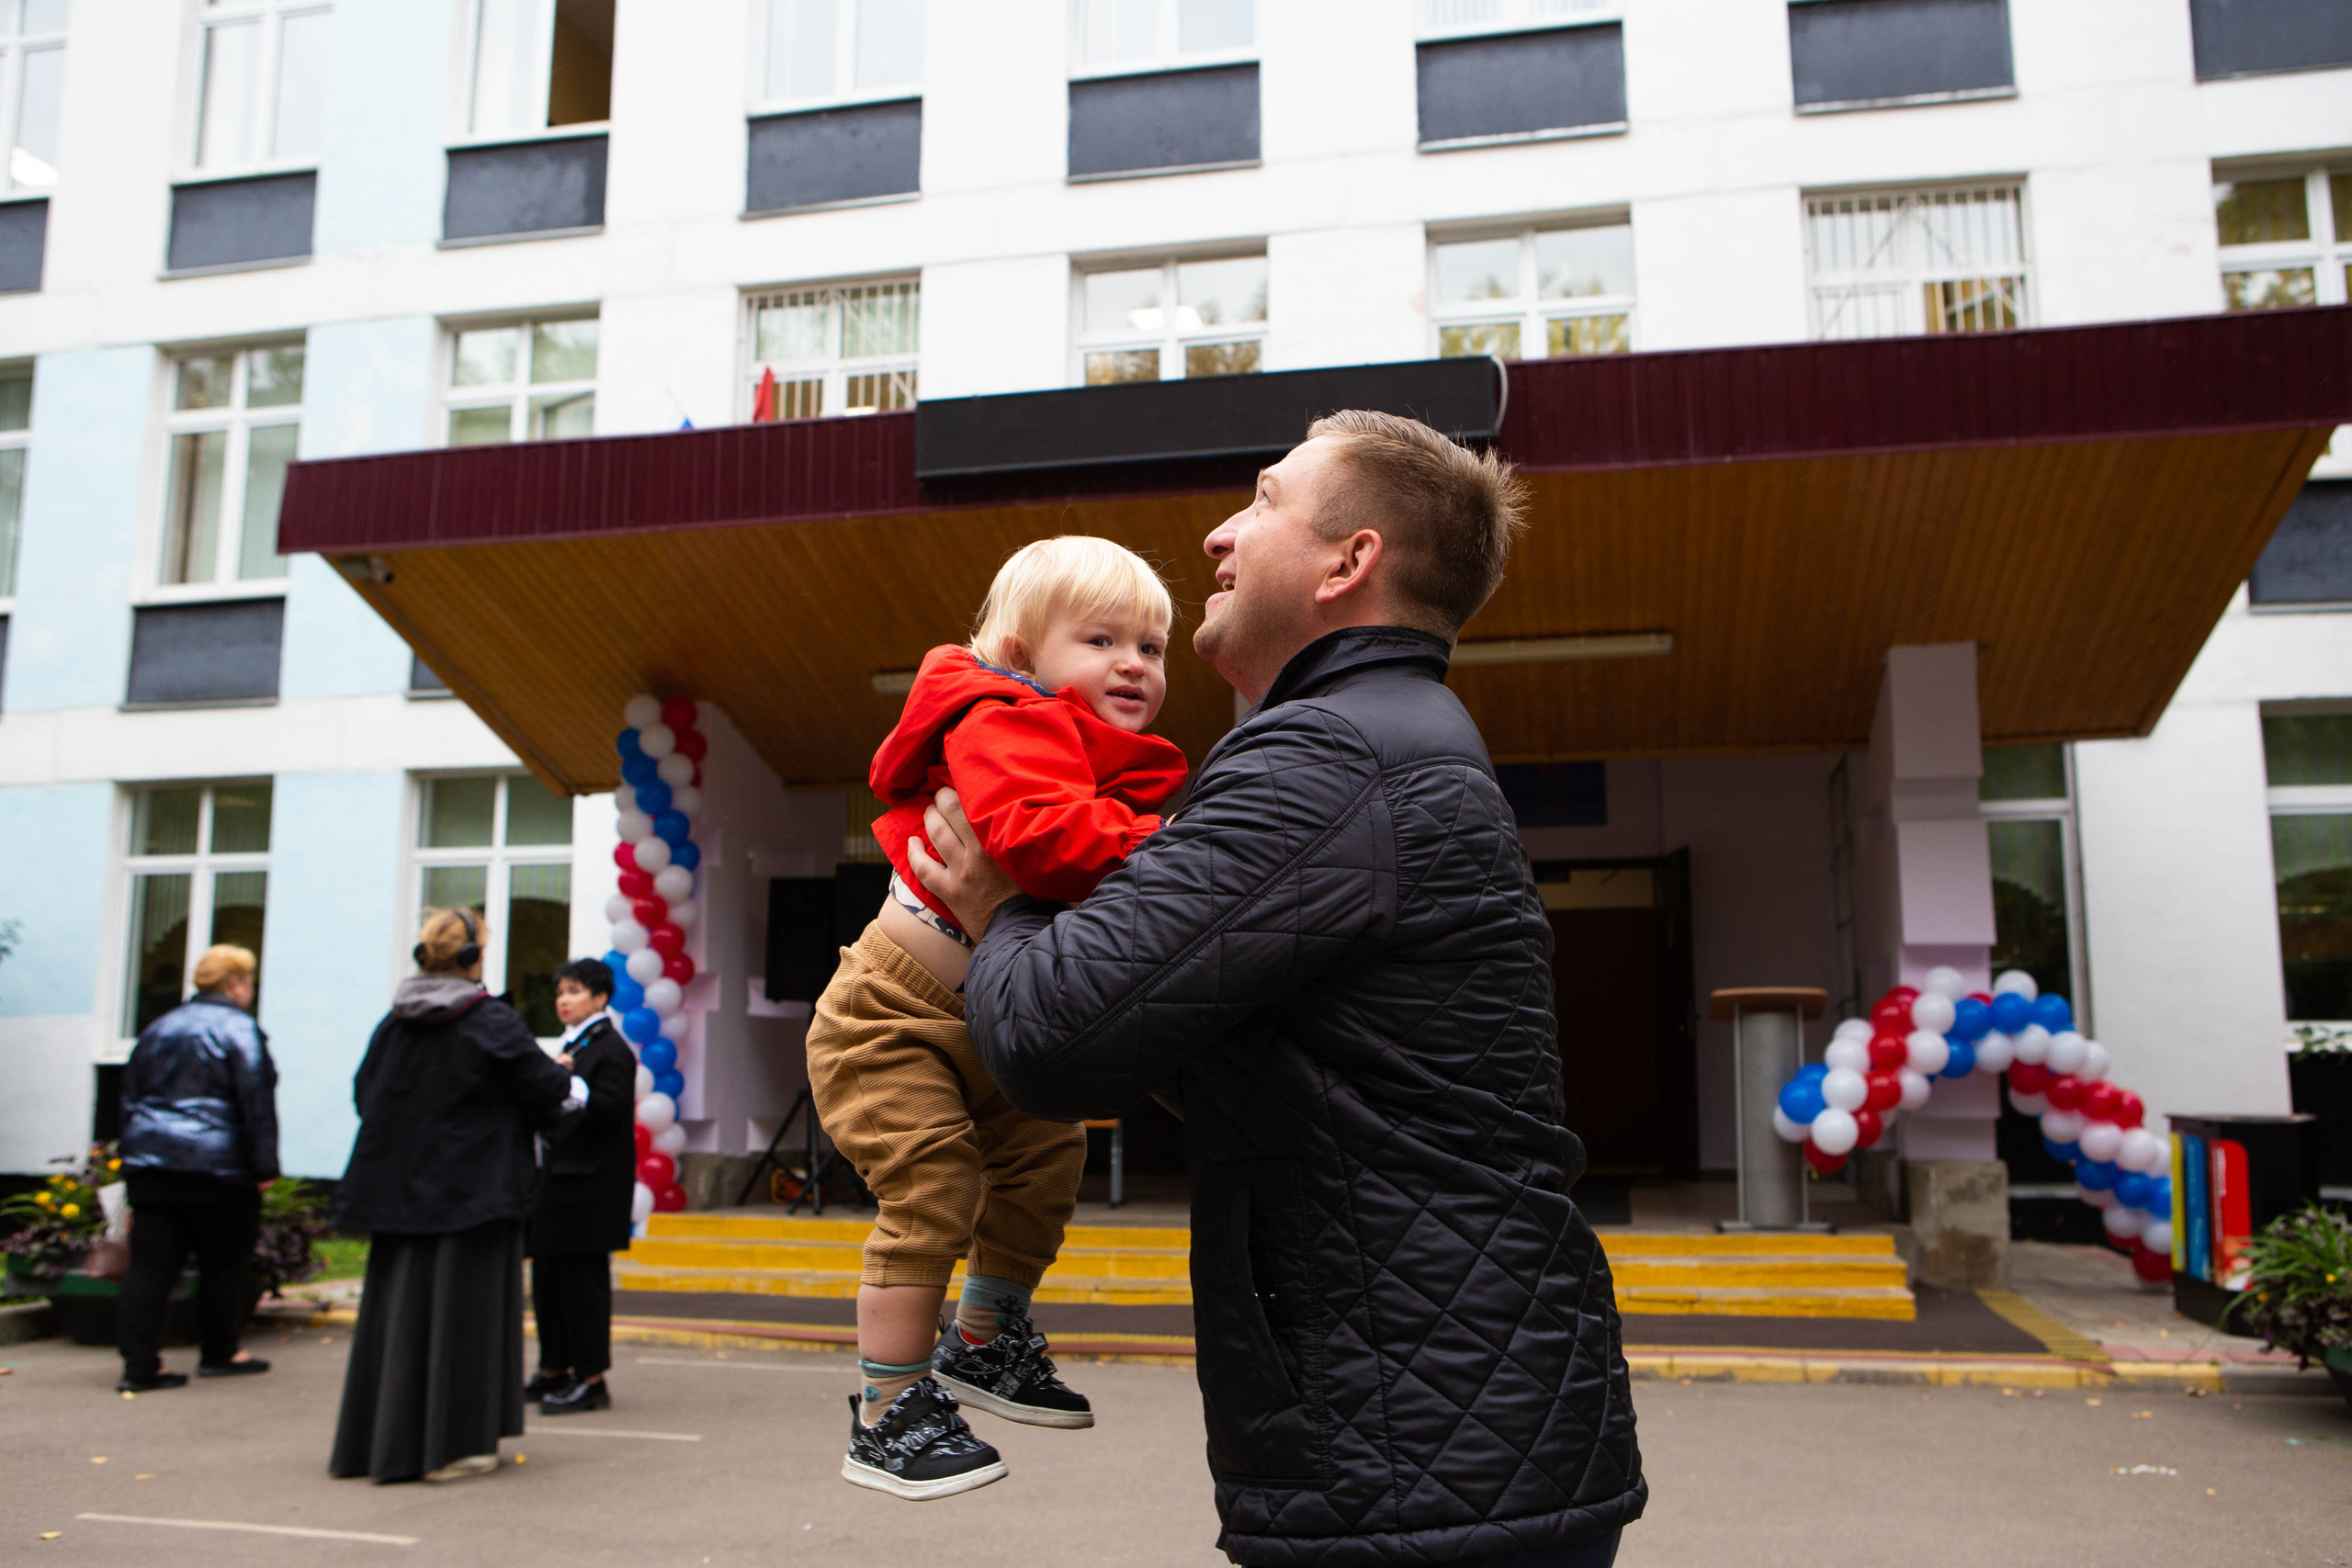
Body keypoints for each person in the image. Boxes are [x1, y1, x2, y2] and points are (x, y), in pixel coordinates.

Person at [913, 412, 1645, 1564]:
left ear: (1347, 562)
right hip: (1441, 1439)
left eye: (1260, 502)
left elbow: (1055, 1039)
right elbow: (1235, 1067)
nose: (1216, 535)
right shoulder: (1379, 740)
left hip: (1412, 1456)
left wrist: (994, 904)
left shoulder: (1327, 759)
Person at [808, 534, 1189, 1500]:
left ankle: (984, 1339)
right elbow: (1047, 845)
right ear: (1022, 656)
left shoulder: (1097, 754)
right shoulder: (1002, 718)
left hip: (991, 1020)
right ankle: (886, 1410)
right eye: (1101, 640)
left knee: (1047, 1153)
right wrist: (1167, 850)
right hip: (891, 1016)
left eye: (1151, 647)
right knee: (933, 1188)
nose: (1134, 665)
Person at [330, 908, 582, 1484]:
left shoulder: (392, 1024)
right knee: (463, 1320)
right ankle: (452, 1446)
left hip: (398, 1194)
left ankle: (382, 1443)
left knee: (395, 1320)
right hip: (473, 1194)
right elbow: (548, 1090)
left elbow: (365, 1094)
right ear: (472, 959)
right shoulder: (490, 1020)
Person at [114, 943, 279, 1393]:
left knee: (149, 1266)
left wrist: (132, 1153)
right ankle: (220, 1352)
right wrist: (264, 1165)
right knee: (223, 1263)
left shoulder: (159, 1028)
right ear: (235, 983)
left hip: (152, 1164)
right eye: (248, 982)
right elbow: (255, 1101)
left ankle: (139, 1365)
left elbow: (130, 1095)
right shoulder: (239, 1029)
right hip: (218, 1168)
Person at [526, 957, 638, 1416]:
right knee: (548, 1280)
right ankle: (554, 1368)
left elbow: (609, 1108)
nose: (563, 1001)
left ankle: (592, 1379)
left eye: (573, 991)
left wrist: (565, 1083)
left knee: (582, 1286)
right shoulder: (572, 1046)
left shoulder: (610, 1049)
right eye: (560, 993)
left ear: (599, 997)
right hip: (557, 1184)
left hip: (590, 1189)